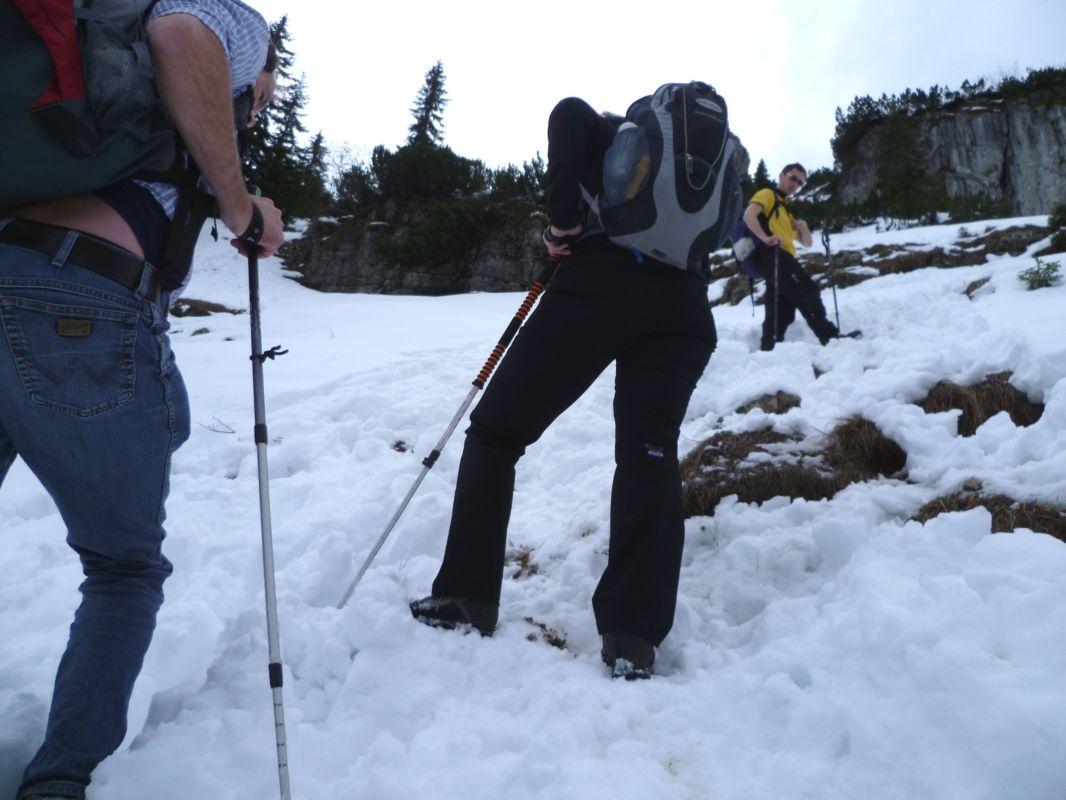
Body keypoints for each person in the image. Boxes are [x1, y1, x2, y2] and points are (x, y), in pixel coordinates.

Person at [0, 2, 283, 797]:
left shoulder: (74, 75)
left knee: (160, 419)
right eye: (266, 91)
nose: (260, 102)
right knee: (124, 567)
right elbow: (182, 37)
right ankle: (60, 782)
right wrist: (239, 203)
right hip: (78, 295)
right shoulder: (228, 22)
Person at [410, 95, 719, 680]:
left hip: (602, 284)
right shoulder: (706, 166)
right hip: (685, 310)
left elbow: (568, 112)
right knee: (650, 452)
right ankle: (633, 637)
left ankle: (466, 596)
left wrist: (563, 224)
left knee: (496, 433)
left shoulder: (614, 132)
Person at [742, 163, 858, 350]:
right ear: (782, 175)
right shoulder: (768, 194)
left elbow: (807, 243)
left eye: (800, 183)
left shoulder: (786, 211)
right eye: (793, 178)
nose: (795, 184)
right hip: (772, 254)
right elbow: (749, 215)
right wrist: (765, 238)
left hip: (779, 257)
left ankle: (770, 346)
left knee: (781, 306)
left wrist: (803, 227)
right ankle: (829, 337)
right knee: (807, 291)